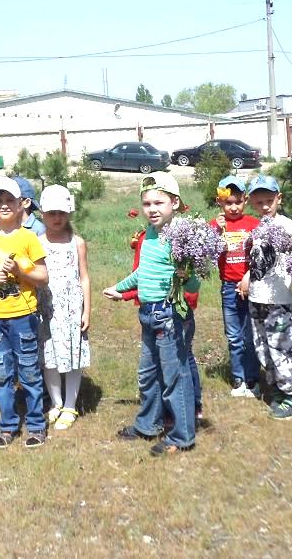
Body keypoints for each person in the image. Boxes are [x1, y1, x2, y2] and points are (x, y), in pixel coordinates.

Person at [104, 172, 197, 456]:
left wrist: (187, 276)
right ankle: (148, 424)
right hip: (148, 313)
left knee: (174, 376)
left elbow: (194, 283)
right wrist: (120, 288)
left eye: (159, 202)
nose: (152, 209)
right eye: (147, 203)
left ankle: (182, 436)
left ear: (175, 203)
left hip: (169, 315)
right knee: (148, 374)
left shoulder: (181, 236)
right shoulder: (150, 234)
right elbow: (143, 272)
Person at [0, 177, 50, 448]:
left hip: (23, 316)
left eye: (9, 200)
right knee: (1, 373)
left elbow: (43, 277)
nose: (4, 205)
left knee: (29, 372)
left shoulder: (29, 238)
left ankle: (36, 425)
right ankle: (7, 426)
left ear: (21, 204)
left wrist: (19, 271)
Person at [240, 174, 292, 420]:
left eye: (269, 200)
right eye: (259, 202)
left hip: (278, 299)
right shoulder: (257, 228)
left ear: (279, 199)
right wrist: (247, 276)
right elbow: (259, 262)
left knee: (282, 347)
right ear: (251, 203)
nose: (265, 206)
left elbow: (288, 258)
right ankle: (277, 389)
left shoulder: (286, 226)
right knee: (263, 346)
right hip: (257, 298)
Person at [37, 184, 91, 431]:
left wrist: (86, 311)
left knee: (72, 356)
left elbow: (84, 277)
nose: (57, 218)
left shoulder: (76, 242)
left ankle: (70, 405)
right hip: (46, 308)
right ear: (42, 214)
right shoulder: (37, 243)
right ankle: (56, 402)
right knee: (49, 357)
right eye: (51, 213)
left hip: (71, 309)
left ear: (69, 212)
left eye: (61, 212)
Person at [211, 175, 261, 398]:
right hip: (229, 286)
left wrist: (250, 277)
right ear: (219, 202)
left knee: (250, 335)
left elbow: (261, 254)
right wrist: (215, 228)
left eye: (238, 202)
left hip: (252, 285)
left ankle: (252, 378)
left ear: (245, 200)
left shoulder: (254, 224)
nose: (233, 207)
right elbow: (206, 249)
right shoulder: (216, 225)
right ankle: (238, 378)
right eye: (228, 202)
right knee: (234, 336)